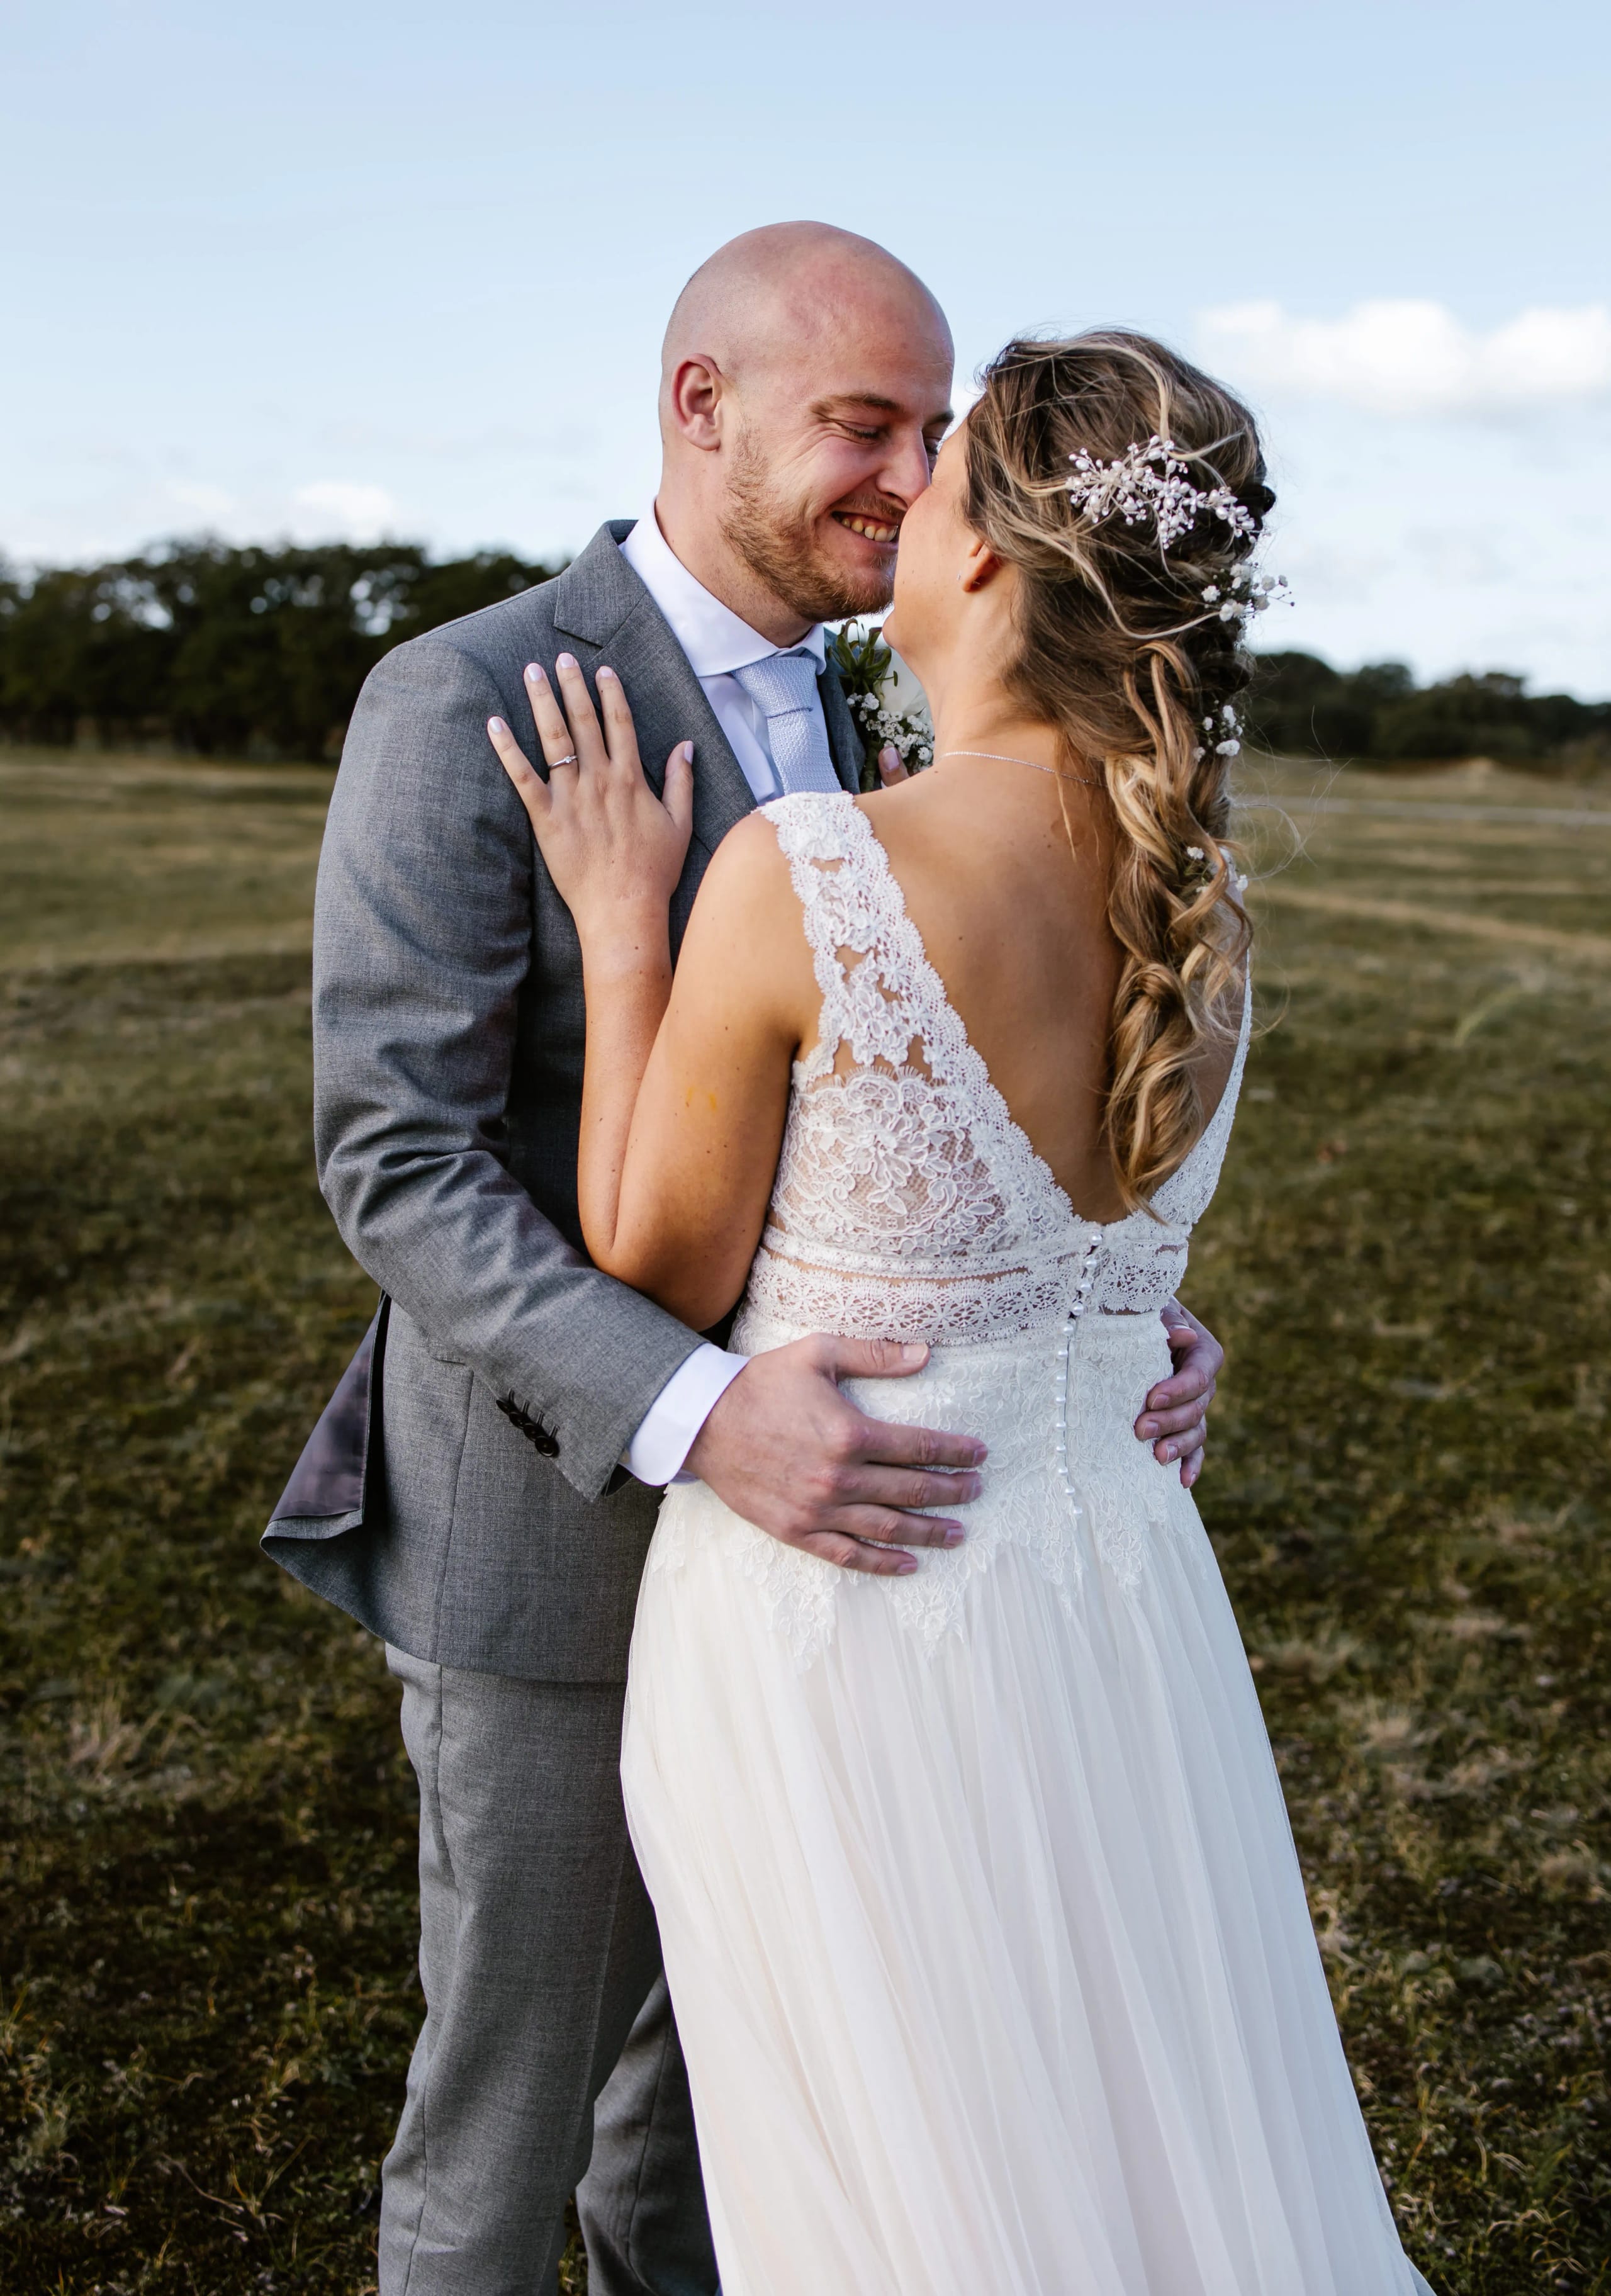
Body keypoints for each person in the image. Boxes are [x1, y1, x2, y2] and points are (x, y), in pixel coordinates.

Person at [265, 224, 1226, 2295]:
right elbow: (403, 1160)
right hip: (561, 1544)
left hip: (859, 1605)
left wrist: (1092, 1308)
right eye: (858, 426)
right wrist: (703, 1421)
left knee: (743, 2136)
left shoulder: (916, 722)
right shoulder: (465, 698)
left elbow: (934, 1116)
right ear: (701, 408)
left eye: (928, 435)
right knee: (506, 2130)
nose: (904, 476)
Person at [488, 328, 1435, 2293]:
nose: (894, 499)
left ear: (989, 563)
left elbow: (649, 1269)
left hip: (854, 1627)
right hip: (1122, 1621)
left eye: (937, 478)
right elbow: (1098, 1267)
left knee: (894, 2188)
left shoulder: (809, 872)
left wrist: (615, 925)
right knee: (1131, 2134)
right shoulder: (1204, 905)